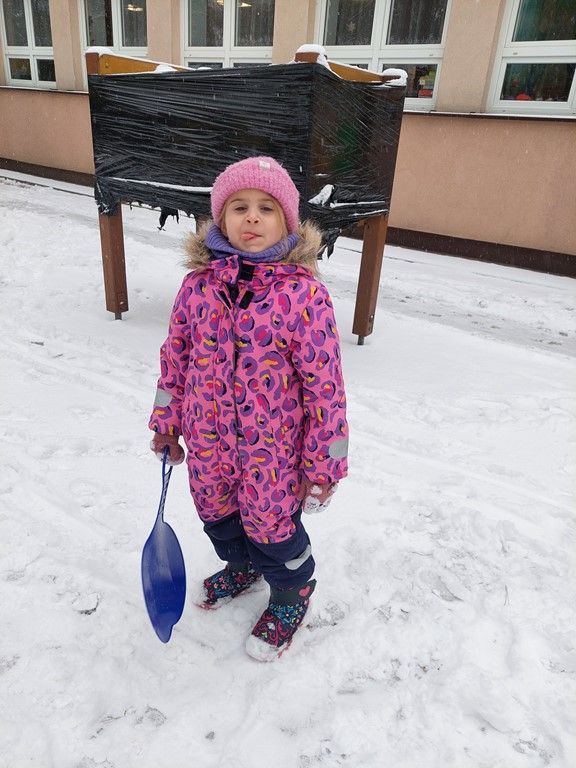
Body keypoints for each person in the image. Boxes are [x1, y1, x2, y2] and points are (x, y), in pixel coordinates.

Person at [149, 156, 348, 661]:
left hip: (273, 453)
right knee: (216, 513)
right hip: (208, 442)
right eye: (239, 207)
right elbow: (175, 359)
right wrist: (166, 422)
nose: (252, 217)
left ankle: (293, 589)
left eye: (266, 208)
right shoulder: (198, 288)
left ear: (287, 221)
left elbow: (325, 389)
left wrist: (324, 464)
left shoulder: (303, 296)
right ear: (221, 218)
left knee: (271, 526)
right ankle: (243, 566)